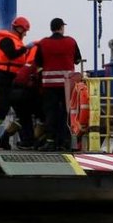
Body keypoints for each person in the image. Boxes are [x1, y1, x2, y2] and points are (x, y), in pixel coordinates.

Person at [33, 17, 82, 151]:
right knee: (67, 113)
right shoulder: (71, 41)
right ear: (61, 28)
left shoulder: (43, 43)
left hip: (49, 85)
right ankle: (65, 141)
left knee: (50, 113)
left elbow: (38, 63)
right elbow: (77, 59)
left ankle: (50, 141)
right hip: (67, 85)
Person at [0, 16, 32, 148]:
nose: (25, 34)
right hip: (4, 78)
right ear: (19, 29)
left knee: (22, 110)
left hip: (15, 79)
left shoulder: (18, 42)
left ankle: (5, 138)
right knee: (1, 111)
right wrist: (25, 49)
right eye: (24, 31)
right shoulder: (5, 40)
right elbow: (11, 54)